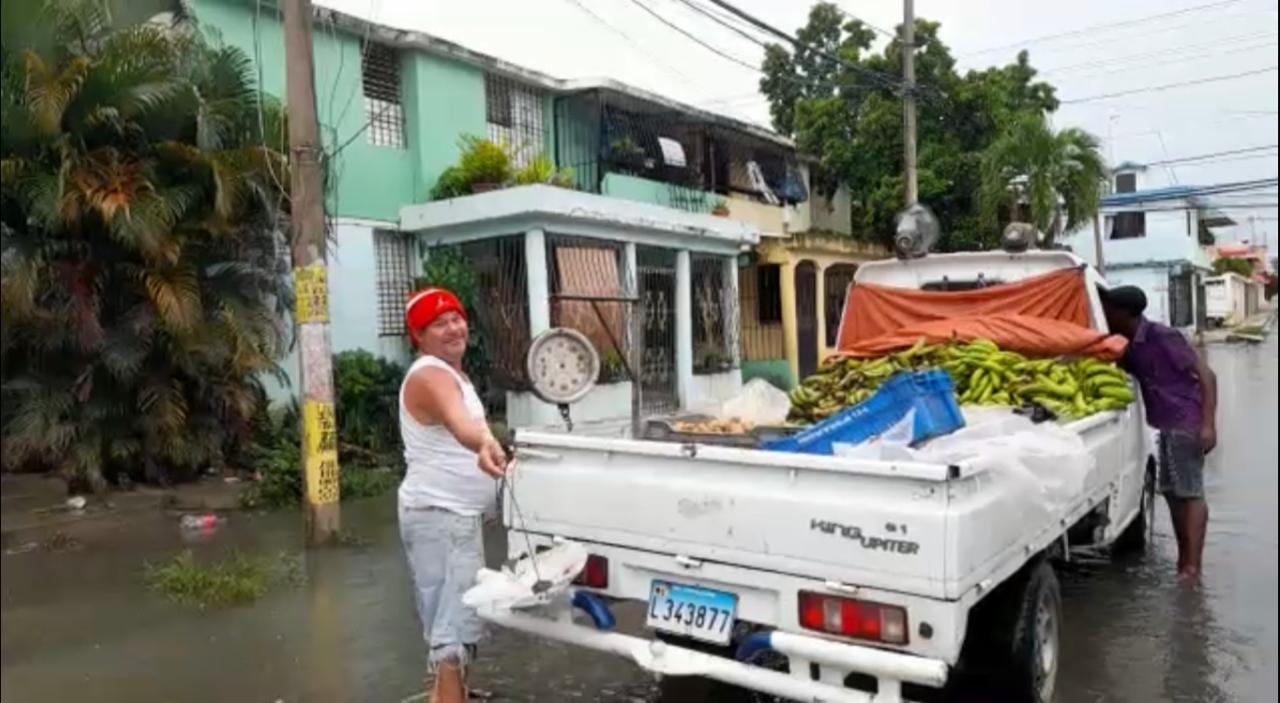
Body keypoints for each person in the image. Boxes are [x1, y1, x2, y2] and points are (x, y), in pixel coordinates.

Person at [398, 287, 508, 703]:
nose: (452, 328)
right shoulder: (430, 374)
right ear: (419, 337)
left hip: (449, 516)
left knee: (456, 625)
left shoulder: (453, 374)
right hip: (441, 517)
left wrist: (497, 455)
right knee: (452, 632)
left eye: (456, 318)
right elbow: (461, 424)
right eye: (438, 324)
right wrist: (481, 442)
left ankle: (451, 696)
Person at [1100, 285, 1217, 584]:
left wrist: (1208, 424)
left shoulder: (1162, 336)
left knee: (1189, 493)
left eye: (1110, 309)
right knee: (1172, 492)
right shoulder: (1130, 343)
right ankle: (1185, 561)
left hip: (1185, 421)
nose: (1106, 314)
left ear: (1125, 313)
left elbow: (1207, 376)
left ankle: (1193, 568)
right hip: (1164, 424)